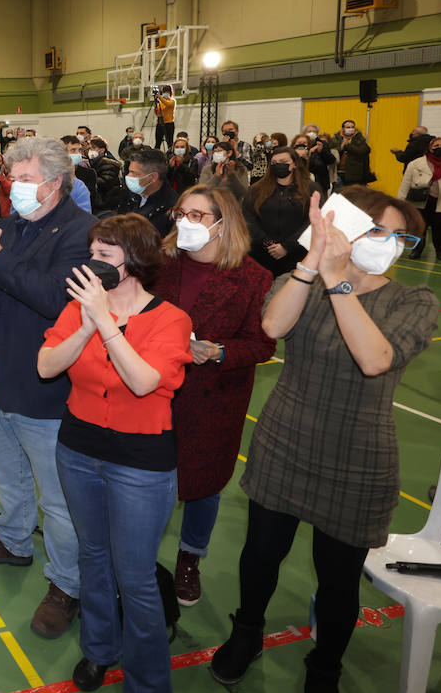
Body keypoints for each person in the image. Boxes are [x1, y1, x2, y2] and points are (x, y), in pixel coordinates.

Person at [209, 186, 438, 693]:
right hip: (286, 438)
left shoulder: (413, 302)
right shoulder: (303, 280)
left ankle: (324, 671)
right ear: (345, 229)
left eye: (401, 238)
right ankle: (247, 633)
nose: (392, 245)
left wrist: (338, 280)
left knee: (338, 580)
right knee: (260, 554)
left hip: (359, 454)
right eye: (380, 231)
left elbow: (375, 358)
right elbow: (271, 327)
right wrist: (313, 263)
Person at [38, 214, 192, 693]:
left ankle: (146, 689)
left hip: (140, 463)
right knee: (93, 557)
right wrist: (85, 323)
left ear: (134, 263)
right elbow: (46, 366)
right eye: (93, 252)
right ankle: (99, 649)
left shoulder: (171, 319)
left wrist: (105, 323)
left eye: (105, 256)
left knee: (137, 577)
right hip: (78, 449)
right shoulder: (78, 309)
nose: (93, 263)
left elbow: (145, 381)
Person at [0, 136, 95, 639]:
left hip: (44, 386)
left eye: (26, 178)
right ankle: (13, 539)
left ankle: (67, 584)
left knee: (57, 498)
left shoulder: (81, 234)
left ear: (55, 183)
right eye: (12, 177)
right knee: (8, 472)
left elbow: (58, 300)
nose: (14, 187)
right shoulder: (12, 225)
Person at [154, 186, 275, 606]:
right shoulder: (160, 264)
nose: (184, 222)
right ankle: (141, 555)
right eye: (180, 212)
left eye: (197, 216)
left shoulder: (255, 278)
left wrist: (219, 351)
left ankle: (190, 557)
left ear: (223, 225)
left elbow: (262, 345)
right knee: (148, 477)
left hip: (213, 398)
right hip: (153, 390)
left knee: (204, 484)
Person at [245, 147, 321, 275]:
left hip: (297, 255)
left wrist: (287, 246)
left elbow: (312, 221)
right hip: (261, 254)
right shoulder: (256, 189)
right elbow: (248, 217)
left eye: (283, 161)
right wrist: (267, 242)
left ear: (294, 164)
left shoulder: (310, 189)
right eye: (274, 162)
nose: (278, 165)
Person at [398, 135, 441, 260]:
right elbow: (405, 184)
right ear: (429, 148)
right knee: (419, 227)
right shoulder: (415, 164)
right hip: (420, 201)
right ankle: (416, 250)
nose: (440, 148)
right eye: (436, 146)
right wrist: (402, 203)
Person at [108, 148, 178, 237]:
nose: (128, 176)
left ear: (153, 177)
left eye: (134, 173)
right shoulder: (130, 194)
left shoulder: (171, 207)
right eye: (129, 171)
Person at [335, 120, 373, 186]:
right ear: (343, 129)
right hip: (338, 173)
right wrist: (341, 147)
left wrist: (347, 146)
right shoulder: (336, 138)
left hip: (353, 175)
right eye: (348, 127)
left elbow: (364, 150)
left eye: (352, 127)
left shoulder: (359, 139)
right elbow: (332, 150)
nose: (350, 129)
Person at [154, 85, 176, 151]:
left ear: (170, 93)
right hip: (160, 123)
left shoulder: (172, 101)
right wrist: (155, 105)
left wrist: (159, 97)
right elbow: (157, 113)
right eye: (164, 91)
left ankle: (170, 155)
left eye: (167, 92)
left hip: (169, 123)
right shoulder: (160, 103)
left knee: (169, 142)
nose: (166, 93)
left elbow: (168, 104)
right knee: (158, 143)